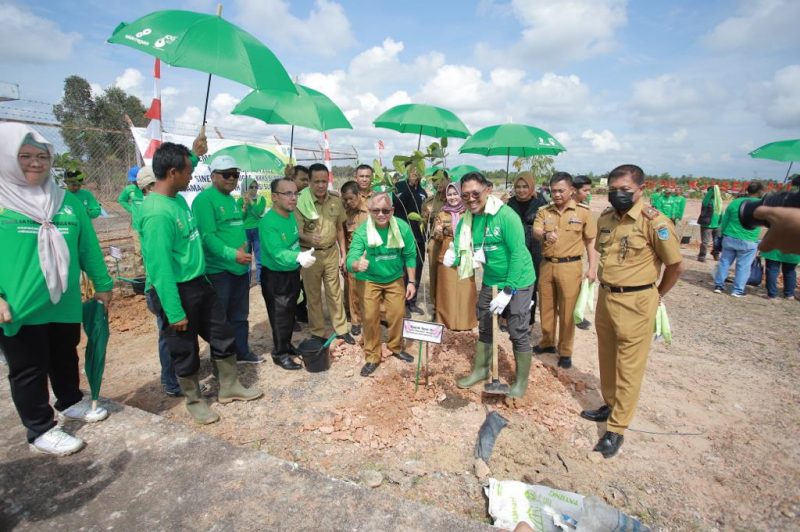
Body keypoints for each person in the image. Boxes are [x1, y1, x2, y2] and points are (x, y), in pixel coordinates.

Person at [0, 123, 113, 456]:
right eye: (25, 156)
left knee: (65, 352)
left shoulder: (65, 201)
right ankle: (40, 429)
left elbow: (87, 247)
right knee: (28, 367)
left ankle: (70, 400)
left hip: (63, 300)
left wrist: (104, 284)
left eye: (42, 156)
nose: (36, 163)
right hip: (19, 304)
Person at [140, 142, 262, 425]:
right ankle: (195, 400)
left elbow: (188, 163)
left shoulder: (177, 199)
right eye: (188, 170)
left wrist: (194, 152)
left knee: (222, 333)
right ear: (172, 172)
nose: (192, 175)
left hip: (199, 282)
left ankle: (229, 387)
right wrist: (173, 310)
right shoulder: (157, 213)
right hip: (176, 288)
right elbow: (159, 270)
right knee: (185, 347)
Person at [580, 164, 683, 459]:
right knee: (608, 358)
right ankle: (610, 404)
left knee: (629, 367)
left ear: (641, 189)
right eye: (613, 190)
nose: (618, 195)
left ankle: (617, 428)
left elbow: (675, 265)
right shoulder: (607, 219)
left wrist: (657, 294)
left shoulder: (654, 222)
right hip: (607, 296)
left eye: (625, 190)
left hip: (638, 302)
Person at [446, 172, 536, 398]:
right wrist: (452, 258)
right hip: (491, 279)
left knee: (517, 329)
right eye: (465, 195)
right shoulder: (468, 220)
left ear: (488, 190)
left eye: (475, 193)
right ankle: (480, 370)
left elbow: (517, 253)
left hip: (519, 279)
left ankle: (520, 382)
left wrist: (509, 290)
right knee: (485, 324)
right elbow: (460, 250)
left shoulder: (506, 216)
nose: (470, 199)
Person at [192, 155, 263, 364]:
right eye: (227, 175)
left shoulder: (230, 199)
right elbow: (207, 237)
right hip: (219, 271)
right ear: (213, 176)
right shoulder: (204, 200)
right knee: (219, 319)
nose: (232, 179)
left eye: (235, 174)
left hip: (239, 269)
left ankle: (241, 352)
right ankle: (222, 360)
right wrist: (233, 254)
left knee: (240, 316)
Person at [346, 193, 417, 377]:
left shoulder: (402, 227)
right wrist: (356, 264)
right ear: (369, 211)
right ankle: (372, 356)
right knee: (369, 317)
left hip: (394, 278)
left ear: (392, 210)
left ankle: (395, 346)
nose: (381, 214)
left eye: (385, 210)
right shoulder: (362, 231)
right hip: (369, 279)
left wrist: (411, 281)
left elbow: (410, 255)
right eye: (376, 210)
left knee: (397, 314)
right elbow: (351, 258)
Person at [532, 172, 598, 369]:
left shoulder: (583, 212)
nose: (557, 195)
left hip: (571, 266)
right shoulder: (544, 211)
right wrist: (544, 234)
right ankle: (547, 342)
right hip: (547, 264)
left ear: (571, 190)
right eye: (553, 191)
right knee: (546, 307)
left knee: (568, 311)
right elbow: (535, 231)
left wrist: (592, 267)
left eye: (561, 190)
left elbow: (590, 241)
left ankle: (566, 351)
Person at [133, 166, 181, 397]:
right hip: (159, 285)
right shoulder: (152, 212)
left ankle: (177, 375)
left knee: (174, 333)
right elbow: (158, 263)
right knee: (168, 333)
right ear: (148, 188)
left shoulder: (168, 205)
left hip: (172, 281)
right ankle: (170, 380)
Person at [259, 178, 317, 370]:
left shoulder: (289, 215)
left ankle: (286, 345)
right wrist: (298, 257)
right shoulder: (268, 222)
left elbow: (293, 241)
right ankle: (279, 353)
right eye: (288, 194)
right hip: (276, 276)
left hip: (291, 272)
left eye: (295, 193)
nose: (294, 198)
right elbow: (276, 253)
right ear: (274, 197)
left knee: (289, 313)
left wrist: (299, 258)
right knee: (279, 316)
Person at [295, 163, 355, 345]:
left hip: (331, 253)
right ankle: (318, 332)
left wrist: (343, 254)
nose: (321, 185)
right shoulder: (300, 203)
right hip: (310, 255)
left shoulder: (336, 201)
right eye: (316, 181)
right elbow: (297, 231)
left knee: (334, 293)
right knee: (313, 296)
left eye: (324, 181)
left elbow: (339, 230)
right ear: (310, 183)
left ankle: (342, 329)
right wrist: (309, 238)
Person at [432, 181, 477, 330]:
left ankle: (465, 322)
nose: (452, 197)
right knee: (447, 291)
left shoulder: (470, 212)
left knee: (466, 291)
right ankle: (446, 322)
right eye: (449, 194)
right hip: (446, 256)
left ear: (461, 194)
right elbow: (436, 238)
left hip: (465, 256)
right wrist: (438, 232)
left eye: (455, 193)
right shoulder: (441, 213)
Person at [506, 172, 547, 324]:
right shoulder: (509, 203)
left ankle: (528, 320)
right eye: (518, 186)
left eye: (525, 187)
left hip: (533, 248)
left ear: (531, 187)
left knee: (531, 283)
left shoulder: (540, 204)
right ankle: (506, 316)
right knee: (511, 278)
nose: (521, 190)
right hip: (514, 246)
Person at [713, 182, 765, 297]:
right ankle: (737, 290)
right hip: (749, 240)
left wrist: (722, 235)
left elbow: (725, 220)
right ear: (760, 192)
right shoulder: (760, 206)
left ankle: (718, 286)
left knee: (724, 262)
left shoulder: (735, 202)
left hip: (729, 237)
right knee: (743, 266)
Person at [392, 165, 428, 315]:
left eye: (417, 171)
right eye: (411, 171)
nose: (414, 173)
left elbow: (425, 211)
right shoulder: (400, 186)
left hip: (419, 237)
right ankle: (400, 302)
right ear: (406, 172)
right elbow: (397, 203)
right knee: (402, 270)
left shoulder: (422, 191)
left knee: (417, 267)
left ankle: (411, 302)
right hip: (402, 236)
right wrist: (408, 187)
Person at [341, 180, 370, 336]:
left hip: (370, 258)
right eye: (345, 199)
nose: (348, 202)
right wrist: (344, 259)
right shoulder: (345, 215)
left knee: (370, 290)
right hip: (353, 258)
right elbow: (343, 238)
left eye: (351, 198)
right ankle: (356, 321)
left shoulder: (371, 211)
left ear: (359, 195)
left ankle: (371, 318)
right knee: (353, 292)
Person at [422, 171, 448, 311]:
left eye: (441, 179)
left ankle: (449, 305)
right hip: (435, 242)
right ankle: (436, 305)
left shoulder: (454, 198)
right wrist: (426, 217)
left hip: (452, 242)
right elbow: (423, 224)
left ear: (448, 179)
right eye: (435, 181)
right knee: (434, 273)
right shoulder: (429, 202)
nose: (438, 183)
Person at [237, 176, 267, 284]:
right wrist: (244, 205)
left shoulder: (261, 199)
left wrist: (251, 201)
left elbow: (258, 212)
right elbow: (240, 218)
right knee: (247, 257)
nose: (254, 189)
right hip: (245, 231)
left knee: (259, 257)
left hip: (258, 230)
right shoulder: (240, 200)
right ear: (245, 188)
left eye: (256, 187)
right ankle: (247, 281)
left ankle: (260, 280)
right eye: (251, 187)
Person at [697, 185, 723, 262]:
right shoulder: (706, 201)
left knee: (717, 242)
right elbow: (707, 197)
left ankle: (716, 254)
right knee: (705, 242)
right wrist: (713, 189)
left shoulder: (719, 201)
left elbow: (721, 212)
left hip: (717, 225)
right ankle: (702, 255)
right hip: (707, 225)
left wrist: (721, 222)